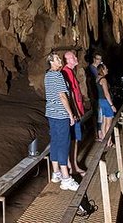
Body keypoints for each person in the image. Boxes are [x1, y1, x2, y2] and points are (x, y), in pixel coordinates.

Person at [44, 52, 80, 191]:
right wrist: (70, 114)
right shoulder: (58, 75)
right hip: (60, 115)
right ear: (52, 62)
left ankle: (56, 173)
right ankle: (66, 178)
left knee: (55, 141)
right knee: (64, 143)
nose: (61, 61)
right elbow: (62, 96)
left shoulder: (47, 75)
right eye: (58, 59)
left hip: (51, 113)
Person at [62, 51, 86, 176]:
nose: (76, 58)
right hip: (72, 113)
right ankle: (72, 166)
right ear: (67, 61)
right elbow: (69, 94)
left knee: (74, 140)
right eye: (72, 57)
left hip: (75, 112)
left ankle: (72, 165)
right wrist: (74, 112)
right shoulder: (66, 71)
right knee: (73, 140)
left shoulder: (70, 72)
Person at [96, 63, 116, 145]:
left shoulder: (97, 78)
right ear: (102, 70)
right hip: (106, 101)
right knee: (109, 123)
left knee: (104, 121)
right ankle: (109, 142)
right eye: (106, 68)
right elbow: (106, 93)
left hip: (101, 101)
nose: (107, 69)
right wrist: (112, 105)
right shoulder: (103, 80)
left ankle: (105, 140)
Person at [88, 53, 104, 139]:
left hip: (99, 94)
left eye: (101, 59)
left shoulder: (98, 68)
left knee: (100, 114)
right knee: (98, 114)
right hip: (95, 94)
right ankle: (99, 133)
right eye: (98, 59)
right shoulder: (91, 69)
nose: (100, 61)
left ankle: (100, 132)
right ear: (94, 59)